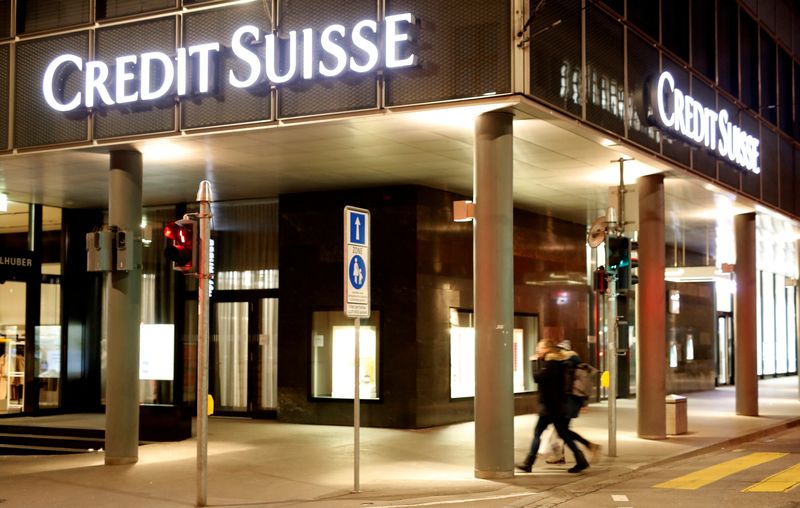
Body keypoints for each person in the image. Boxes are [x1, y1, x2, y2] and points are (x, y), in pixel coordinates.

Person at [517, 339, 590, 474]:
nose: (537, 351)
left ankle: (528, 462)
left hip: (551, 407)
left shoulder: (551, 364)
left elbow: (537, 378)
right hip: (558, 406)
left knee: (538, 433)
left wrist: (534, 362)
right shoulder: (559, 363)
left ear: (547, 349)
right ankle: (581, 460)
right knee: (564, 434)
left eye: (539, 348)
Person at [544, 340, 601, 464]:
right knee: (562, 430)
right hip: (573, 401)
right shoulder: (574, 362)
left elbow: (565, 385)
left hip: (569, 401)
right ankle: (582, 450)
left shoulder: (567, 362)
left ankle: (586, 449)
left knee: (562, 430)